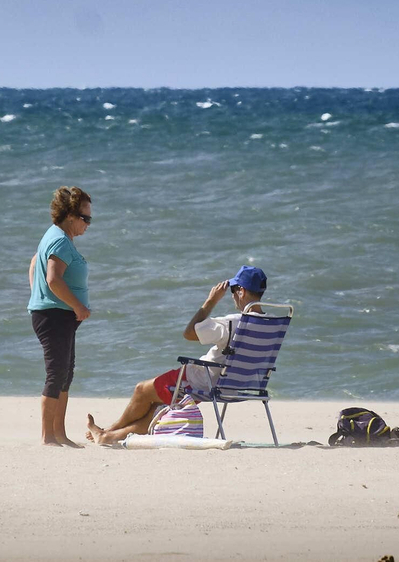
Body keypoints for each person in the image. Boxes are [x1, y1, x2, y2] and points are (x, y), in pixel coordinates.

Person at [85, 266, 268, 445]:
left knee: (142, 390)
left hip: (203, 381)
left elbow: (189, 333)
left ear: (242, 291)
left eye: (234, 290)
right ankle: (108, 436)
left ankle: (108, 430)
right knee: (157, 407)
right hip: (239, 385)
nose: (233, 295)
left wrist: (210, 301)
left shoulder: (233, 323)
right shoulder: (270, 324)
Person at [27, 186, 92, 447]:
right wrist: (78, 306)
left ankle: (59, 434)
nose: (88, 224)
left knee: (66, 373)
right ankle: (48, 436)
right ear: (69, 215)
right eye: (85, 218)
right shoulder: (60, 240)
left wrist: (36, 294)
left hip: (56, 312)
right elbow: (53, 279)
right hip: (55, 315)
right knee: (56, 374)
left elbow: (34, 262)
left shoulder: (56, 236)